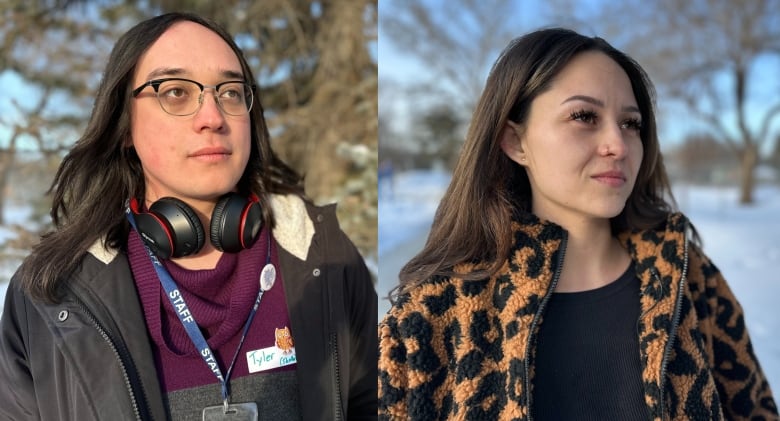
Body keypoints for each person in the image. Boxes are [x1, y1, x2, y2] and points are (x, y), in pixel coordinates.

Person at [378, 28, 777, 420]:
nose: (618, 145)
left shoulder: (689, 280)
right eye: (584, 116)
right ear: (515, 142)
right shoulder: (432, 317)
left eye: (630, 123)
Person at [0, 12, 377, 421]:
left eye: (231, 92)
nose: (213, 118)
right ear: (124, 125)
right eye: (176, 92)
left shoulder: (324, 256)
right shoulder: (49, 294)